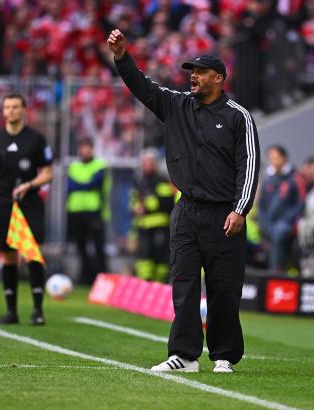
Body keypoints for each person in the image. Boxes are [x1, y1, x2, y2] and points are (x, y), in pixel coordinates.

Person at [107, 28, 260, 373]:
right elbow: (143, 87)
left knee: (224, 289)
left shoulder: (238, 116)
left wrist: (240, 209)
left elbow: (249, 165)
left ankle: (223, 355)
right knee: (184, 285)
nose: (193, 77)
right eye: (191, 71)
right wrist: (121, 57)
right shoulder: (177, 105)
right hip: (187, 211)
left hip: (225, 215)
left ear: (218, 78)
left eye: (201, 72)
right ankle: (185, 355)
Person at [0, 93, 54, 326]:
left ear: (24, 110)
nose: (10, 111)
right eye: (7, 107)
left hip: (30, 203)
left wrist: (30, 185)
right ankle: (11, 311)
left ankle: (37, 311)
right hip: (3, 203)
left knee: (32, 253)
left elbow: (48, 172)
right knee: (9, 255)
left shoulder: (36, 139)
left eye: (15, 107)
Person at [66, 137, 110, 285]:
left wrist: (82, 185)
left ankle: (103, 277)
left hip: (94, 210)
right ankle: (86, 277)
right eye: (82, 147)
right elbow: (70, 186)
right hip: (76, 210)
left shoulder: (100, 165)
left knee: (98, 246)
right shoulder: (73, 166)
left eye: (87, 147)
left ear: (92, 149)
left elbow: (95, 184)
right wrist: (86, 185)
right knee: (80, 246)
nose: (84, 150)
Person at [130, 148, 176, 283]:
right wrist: (136, 206)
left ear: (154, 163)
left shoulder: (162, 181)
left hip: (159, 227)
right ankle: (144, 284)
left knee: (160, 259)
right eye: (143, 162)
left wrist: (144, 205)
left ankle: (160, 285)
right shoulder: (140, 181)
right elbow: (133, 199)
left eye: (147, 162)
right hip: (143, 227)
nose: (144, 165)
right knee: (143, 258)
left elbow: (165, 201)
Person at [257, 145, 304, 272]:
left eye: (276, 158)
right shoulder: (267, 180)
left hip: (286, 225)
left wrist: (285, 222)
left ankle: (275, 274)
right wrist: (263, 223)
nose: (274, 162)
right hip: (268, 225)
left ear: (284, 158)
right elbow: (262, 205)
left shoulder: (295, 179)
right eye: (271, 159)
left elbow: (300, 204)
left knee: (278, 237)